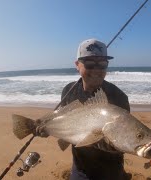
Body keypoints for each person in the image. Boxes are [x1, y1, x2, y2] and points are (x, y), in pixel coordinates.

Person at [60, 38, 131, 180]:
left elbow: (123, 137)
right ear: (77, 65)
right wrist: (44, 127)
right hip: (80, 167)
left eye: (102, 65)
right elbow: (64, 121)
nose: (97, 70)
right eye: (90, 64)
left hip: (111, 169)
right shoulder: (69, 90)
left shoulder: (119, 97)